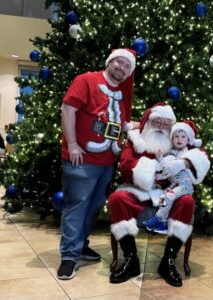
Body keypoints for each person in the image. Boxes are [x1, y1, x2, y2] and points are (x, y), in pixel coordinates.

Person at [108, 103, 210, 287]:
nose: (162, 127)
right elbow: (125, 165)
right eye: (158, 122)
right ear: (148, 122)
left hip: (168, 191)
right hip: (138, 190)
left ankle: (168, 261)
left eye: (166, 123)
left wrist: (185, 163)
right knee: (117, 199)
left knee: (186, 201)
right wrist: (152, 169)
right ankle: (131, 259)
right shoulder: (136, 140)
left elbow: (201, 154)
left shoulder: (177, 138)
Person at [57, 48, 137, 280]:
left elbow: (115, 125)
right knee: (77, 205)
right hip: (81, 158)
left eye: (127, 66)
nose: (121, 68)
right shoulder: (86, 80)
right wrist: (72, 144)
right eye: (119, 63)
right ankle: (69, 256)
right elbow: (68, 109)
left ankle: (80, 245)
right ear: (110, 62)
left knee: (93, 206)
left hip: (107, 161)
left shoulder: (121, 94)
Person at [143, 120, 209, 234]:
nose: (179, 139)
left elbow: (195, 162)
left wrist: (182, 162)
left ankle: (156, 219)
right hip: (174, 184)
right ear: (172, 139)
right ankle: (163, 223)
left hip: (185, 185)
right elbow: (165, 168)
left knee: (169, 196)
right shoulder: (169, 153)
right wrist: (159, 158)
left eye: (183, 137)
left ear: (188, 140)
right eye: (176, 136)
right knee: (163, 197)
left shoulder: (188, 153)